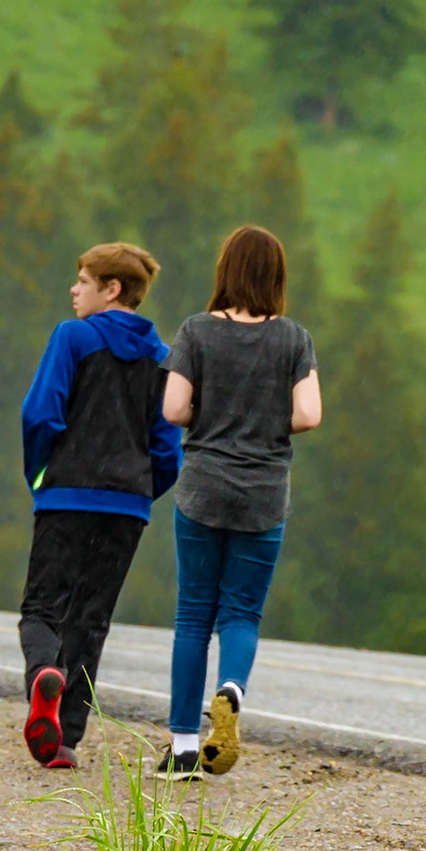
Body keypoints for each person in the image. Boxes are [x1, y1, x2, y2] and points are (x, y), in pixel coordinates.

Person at [156, 226, 321, 779]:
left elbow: (173, 409)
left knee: (192, 615)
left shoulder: (196, 331)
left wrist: (213, 415)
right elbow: (309, 414)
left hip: (202, 486)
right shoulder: (293, 338)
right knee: (241, 612)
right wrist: (265, 422)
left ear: (224, 270)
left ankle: (183, 747)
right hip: (263, 493)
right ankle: (231, 689)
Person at [17, 243, 182, 769]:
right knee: (91, 620)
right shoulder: (163, 357)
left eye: (84, 281)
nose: (74, 289)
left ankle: (44, 673)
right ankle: (65, 738)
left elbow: (40, 413)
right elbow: (168, 446)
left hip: (66, 494)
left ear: (112, 289)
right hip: (127, 506)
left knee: (42, 610)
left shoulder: (73, 336)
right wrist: (141, 490)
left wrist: (41, 475)